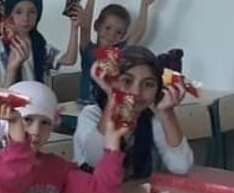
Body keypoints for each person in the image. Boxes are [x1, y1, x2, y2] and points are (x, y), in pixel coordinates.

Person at [74, 45, 192, 178]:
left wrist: (167, 113)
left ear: (158, 90)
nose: (136, 92)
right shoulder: (92, 115)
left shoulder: (152, 119)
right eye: (127, 81)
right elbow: (95, 161)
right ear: (111, 82)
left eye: (148, 84)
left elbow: (181, 167)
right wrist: (113, 98)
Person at [76, 0, 157, 102]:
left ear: (123, 35)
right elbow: (85, 27)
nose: (111, 35)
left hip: (109, 106)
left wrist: (144, 4)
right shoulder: (88, 49)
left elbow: (139, 33)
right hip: (84, 104)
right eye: (108, 28)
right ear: (97, 25)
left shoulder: (120, 51)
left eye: (118, 32)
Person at [1, 0, 80, 85]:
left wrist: (74, 28)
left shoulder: (40, 45)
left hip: (38, 93)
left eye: (32, 12)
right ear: (9, 15)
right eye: (19, 12)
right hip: (10, 93)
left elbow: (69, 60)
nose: (25, 18)